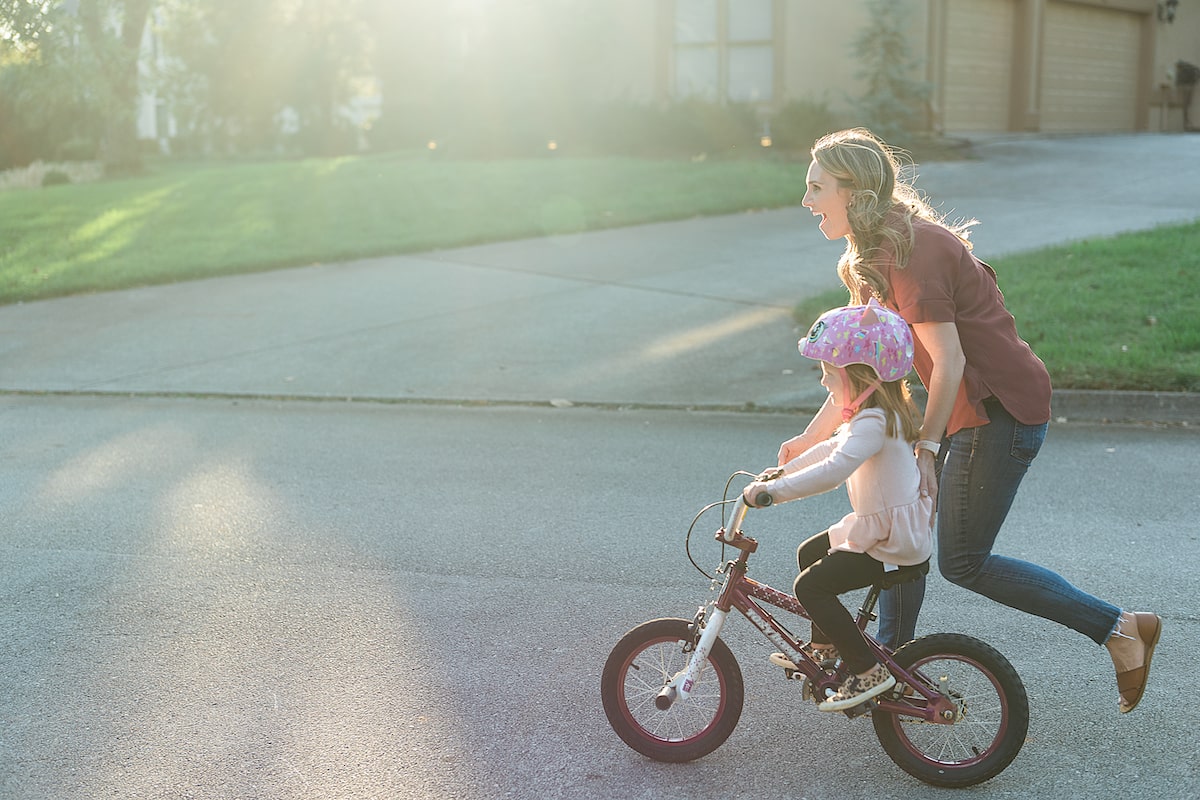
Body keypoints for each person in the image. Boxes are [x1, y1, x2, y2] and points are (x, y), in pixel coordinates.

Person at [779, 127, 1161, 713]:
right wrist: (812, 436)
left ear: (854, 193)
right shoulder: (864, 258)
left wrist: (926, 448)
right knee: (898, 536)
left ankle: (1120, 628)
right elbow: (869, 371)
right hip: (955, 412)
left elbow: (951, 360)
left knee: (964, 561)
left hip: (996, 411)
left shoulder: (913, 252)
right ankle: (889, 665)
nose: (806, 201)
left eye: (816, 188)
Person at [742, 300, 933, 711]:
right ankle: (826, 648)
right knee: (809, 553)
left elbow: (835, 469)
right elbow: (831, 447)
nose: (825, 384)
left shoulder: (874, 422)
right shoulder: (874, 413)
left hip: (892, 543)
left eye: (830, 375)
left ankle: (867, 671)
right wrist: (780, 474)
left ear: (861, 378)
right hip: (882, 529)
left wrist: (774, 495)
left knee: (808, 587)